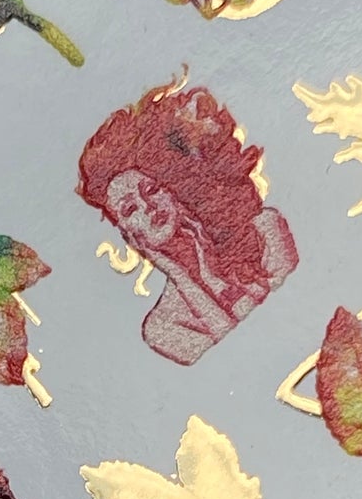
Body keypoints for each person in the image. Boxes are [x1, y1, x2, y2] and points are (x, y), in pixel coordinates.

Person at [77, 75, 298, 366]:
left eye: (152, 190)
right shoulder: (162, 329)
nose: (149, 207)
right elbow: (235, 353)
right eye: (130, 209)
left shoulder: (266, 231)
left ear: (174, 188)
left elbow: (281, 318)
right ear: (128, 235)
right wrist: (181, 275)